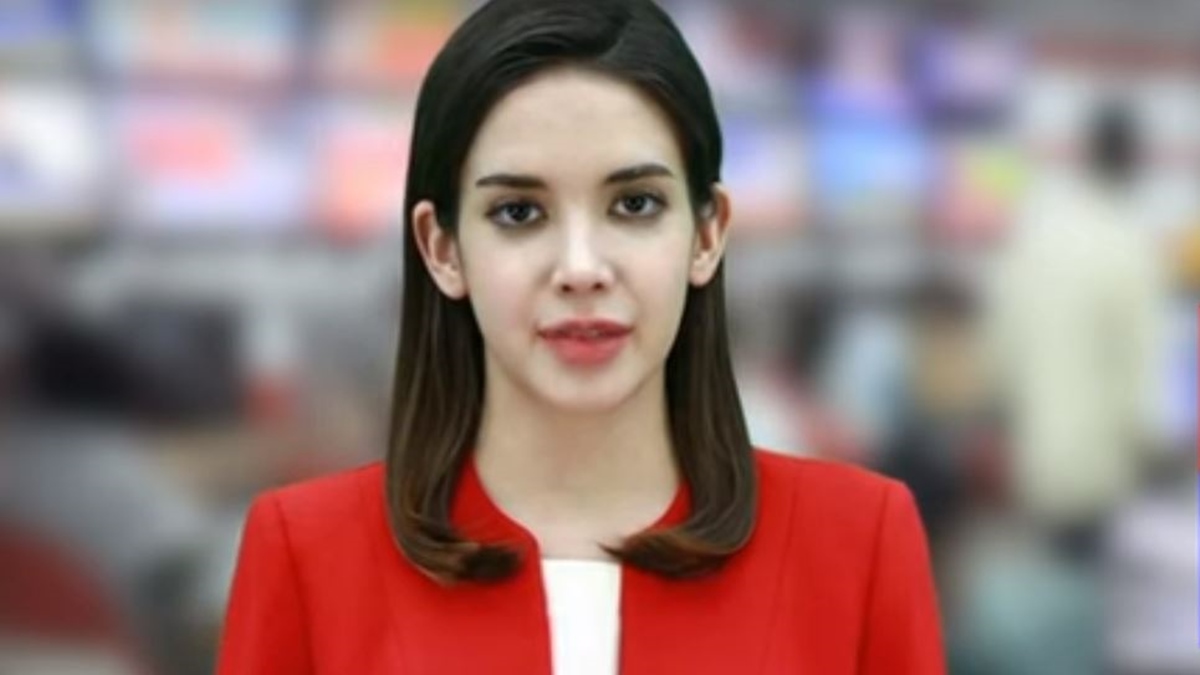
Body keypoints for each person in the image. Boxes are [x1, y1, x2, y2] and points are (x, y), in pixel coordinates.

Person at [216, 1, 944, 673]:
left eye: (635, 204)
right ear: (442, 248)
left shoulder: (860, 542)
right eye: (519, 213)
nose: (581, 268)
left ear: (708, 234)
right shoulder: (306, 552)